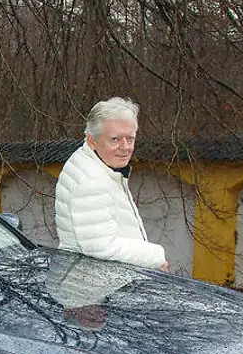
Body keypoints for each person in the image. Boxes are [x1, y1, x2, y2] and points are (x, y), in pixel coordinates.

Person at [54, 96, 169, 271]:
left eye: (130, 139)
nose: (125, 147)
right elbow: (101, 247)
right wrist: (156, 257)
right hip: (94, 284)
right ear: (92, 140)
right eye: (115, 139)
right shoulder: (91, 180)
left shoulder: (96, 164)